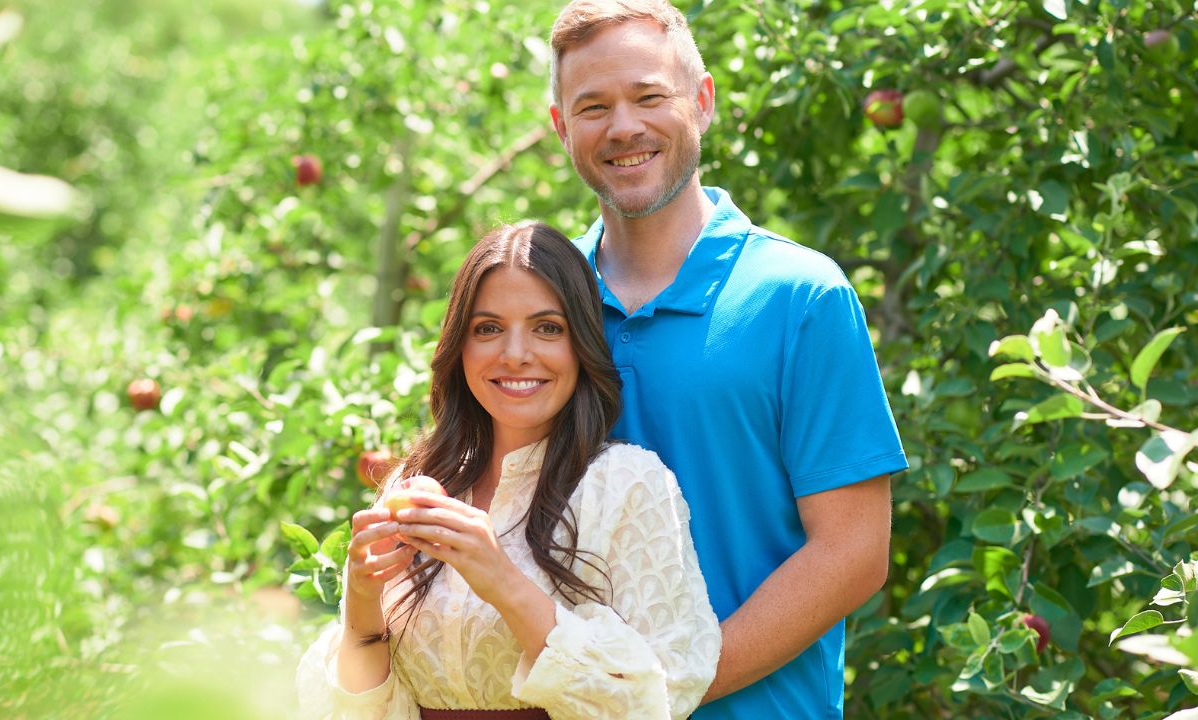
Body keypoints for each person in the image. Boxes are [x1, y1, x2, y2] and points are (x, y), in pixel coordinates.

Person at [546, 2, 908, 718]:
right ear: (561, 127)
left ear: (701, 102)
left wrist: (664, 691)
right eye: (593, 106)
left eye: (650, 96)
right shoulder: (542, 305)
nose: (624, 127)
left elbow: (854, 552)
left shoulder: (800, 297)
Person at [295, 222, 721, 719]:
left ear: (580, 345)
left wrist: (500, 579)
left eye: (547, 328)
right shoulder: (416, 482)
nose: (516, 355)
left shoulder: (626, 485)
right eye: (488, 328)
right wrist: (363, 603)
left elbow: (659, 698)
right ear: (461, 347)